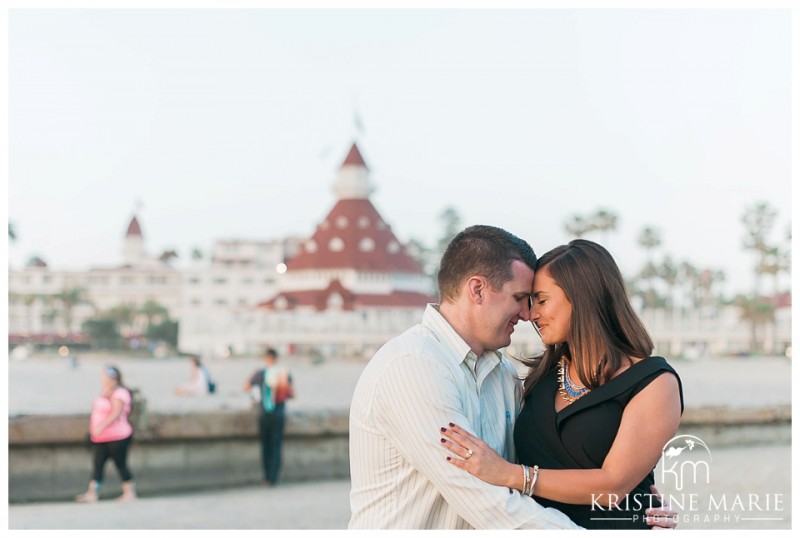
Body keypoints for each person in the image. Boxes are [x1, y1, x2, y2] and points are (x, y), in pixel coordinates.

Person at [440, 239, 684, 529]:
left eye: (541, 300)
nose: (530, 314)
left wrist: (509, 474)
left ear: (583, 297)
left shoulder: (654, 383)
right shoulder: (537, 376)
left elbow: (612, 486)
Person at [75, 364, 137, 503]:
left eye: (105, 375)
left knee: (121, 464)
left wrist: (100, 427)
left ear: (113, 377)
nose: (103, 378)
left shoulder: (120, 393)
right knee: (97, 465)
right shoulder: (105, 391)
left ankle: (129, 493)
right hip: (100, 438)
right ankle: (92, 493)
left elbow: (116, 412)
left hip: (118, 436)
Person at [243, 347, 294, 486]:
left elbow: (246, 387)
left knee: (266, 447)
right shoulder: (284, 374)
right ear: (276, 358)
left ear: (266, 359)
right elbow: (292, 394)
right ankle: (273, 477)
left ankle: (266, 477)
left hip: (264, 414)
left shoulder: (260, 373)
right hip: (279, 414)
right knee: (276, 446)